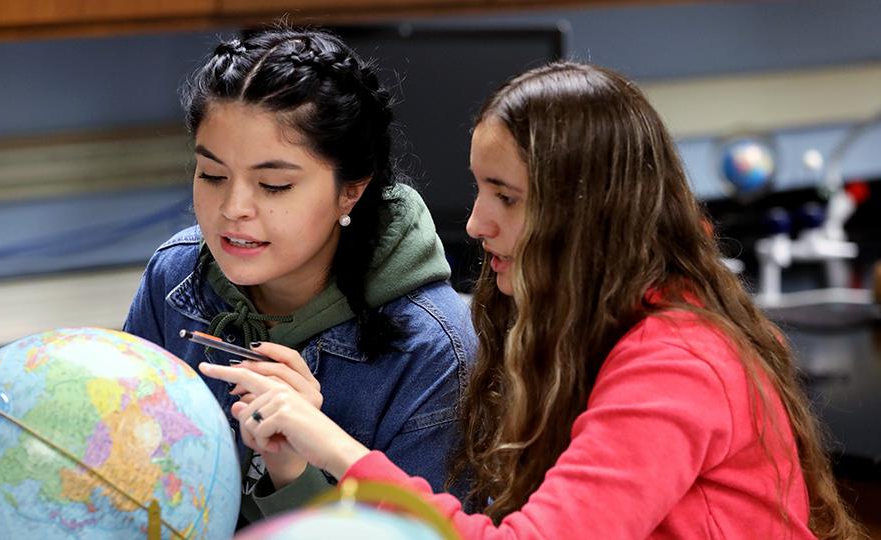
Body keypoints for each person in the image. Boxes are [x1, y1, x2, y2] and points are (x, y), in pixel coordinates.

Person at [200, 61, 865, 539]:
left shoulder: (679, 363)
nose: (476, 223)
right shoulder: (586, 327)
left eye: (507, 198)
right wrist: (295, 464)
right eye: (479, 189)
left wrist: (331, 447)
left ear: (587, 212)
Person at [123, 27, 476, 528]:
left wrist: (293, 470)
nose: (233, 209)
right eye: (212, 175)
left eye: (274, 185)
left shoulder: (437, 353)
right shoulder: (174, 276)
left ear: (350, 192)